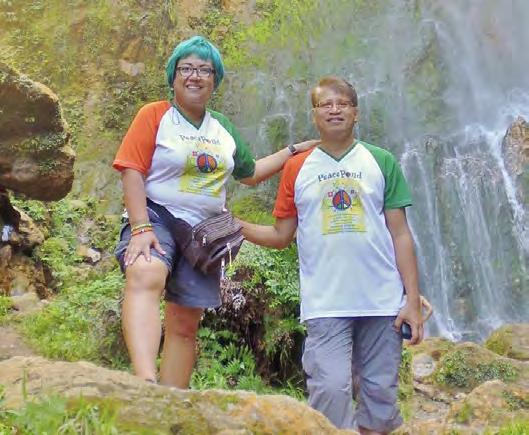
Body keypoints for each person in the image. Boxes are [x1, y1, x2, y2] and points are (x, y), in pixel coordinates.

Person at [112, 36, 317, 388]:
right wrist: (141, 227)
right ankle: (145, 383)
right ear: (173, 77)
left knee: (185, 322)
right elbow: (132, 169)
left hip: (205, 233)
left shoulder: (222, 127)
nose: (195, 76)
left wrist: (293, 151)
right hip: (157, 216)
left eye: (205, 70)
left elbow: (250, 173)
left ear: (215, 80)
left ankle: (172, 401)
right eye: (187, 68)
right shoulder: (155, 115)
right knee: (146, 272)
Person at [238, 76, 425, 434]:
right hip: (325, 303)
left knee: (380, 395)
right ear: (315, 114)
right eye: (326, 104)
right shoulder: (297, 167)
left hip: (382, 301)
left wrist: (412, 300)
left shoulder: (381, 160)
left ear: (356, 112)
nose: (334, 109)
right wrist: (234, 225)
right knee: (330, 390)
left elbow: (400, 234)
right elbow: (281, 235)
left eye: (343, 103)